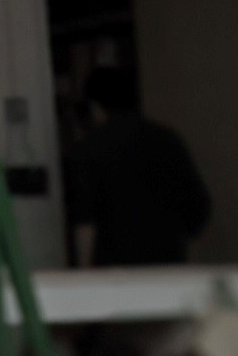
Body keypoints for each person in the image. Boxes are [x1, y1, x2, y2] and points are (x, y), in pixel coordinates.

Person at [63, 64, 211, 270]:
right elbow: (198, 209)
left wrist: (85, 274)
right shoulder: (168, 140)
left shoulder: (88, 149)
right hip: (168, 263)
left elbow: (84, 220)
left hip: (114, 270)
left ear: (95, 106)